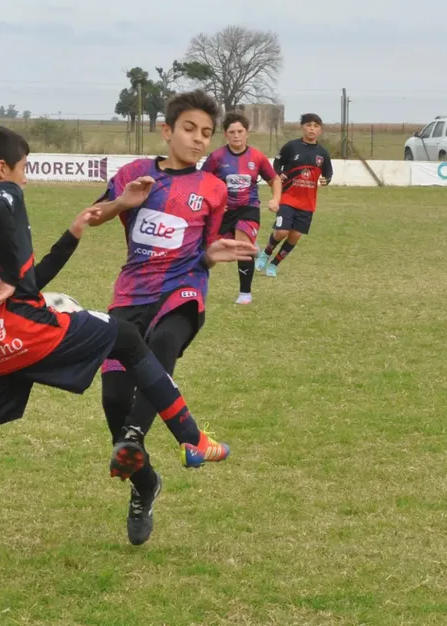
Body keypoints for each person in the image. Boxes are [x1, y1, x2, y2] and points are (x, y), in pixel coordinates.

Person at [0, 124, 231, 587]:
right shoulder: (2, 194)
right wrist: (14, 268)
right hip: (23, 332)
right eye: (24, 168)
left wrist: (70, 235)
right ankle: (191, 437)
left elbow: (28, 278)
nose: (26, 178)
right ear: (3, 168)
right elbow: (14, 247)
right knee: (128, 339)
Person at [87, 90, 257, 546]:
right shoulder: (133, 174)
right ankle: (145, 484)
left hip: (184, 289)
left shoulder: (214, 189)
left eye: (206, 133)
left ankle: (133, 435)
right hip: (131, 295)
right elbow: (93, 217)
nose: (199, 140)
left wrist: (213, 253)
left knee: (163, 345)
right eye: (189, 129)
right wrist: (123, 203)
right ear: (166, 130)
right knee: (113, 399)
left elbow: (208, 244)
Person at [200, 111, 281, 304]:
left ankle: (245, 294)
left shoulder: (257, 157)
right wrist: (215, 203)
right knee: (209, 248)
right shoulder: (216, 157)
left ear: (247, 133)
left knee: (242, 244)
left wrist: (276, 199)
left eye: (240, 131)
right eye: (232, 132)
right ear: (226, 134)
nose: (236, 135)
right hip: (224, 211)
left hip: (248, 208)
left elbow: (274, 179)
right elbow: (201, 182)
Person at [256, 113, 333, 277]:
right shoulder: (291, 146)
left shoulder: (323, 153)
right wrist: (280, 173)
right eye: (308, 125)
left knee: (295, 235)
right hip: (288, 197)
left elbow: (328, 172)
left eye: (316, 126)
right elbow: (277, 162)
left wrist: (327, 179)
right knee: (282, 231)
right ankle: (266, 253)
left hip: (307, 202)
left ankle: (274, 264)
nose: (312, 129)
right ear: (302, 127)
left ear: (320, 130)